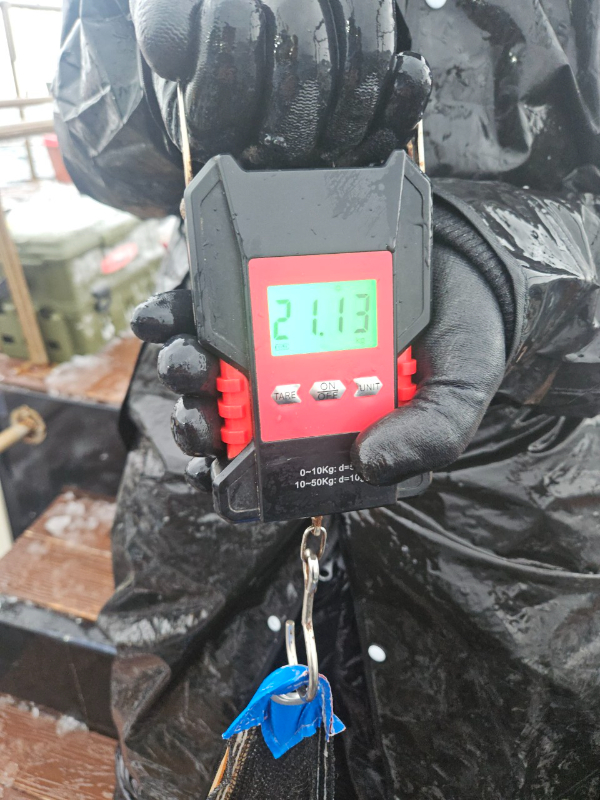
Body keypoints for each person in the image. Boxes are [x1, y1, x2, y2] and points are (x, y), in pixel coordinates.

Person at [54, 1, 600, 798]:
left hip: (514, 520)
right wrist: (163, 56)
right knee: (191, 762)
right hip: (211, 440)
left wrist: (511, 272)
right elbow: (108, 161)